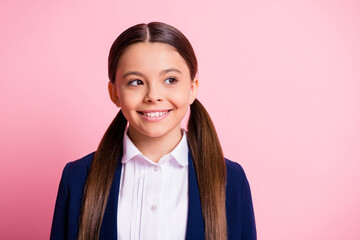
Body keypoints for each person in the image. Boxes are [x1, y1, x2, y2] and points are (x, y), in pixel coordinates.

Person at [50, 22, 256, 240]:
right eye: (136, 82)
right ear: (114, 93)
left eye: (170, 80)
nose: (153, 96)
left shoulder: (231, 180)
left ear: (192, 88)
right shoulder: (78, 177)